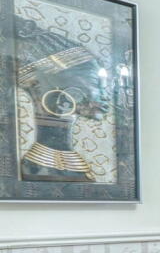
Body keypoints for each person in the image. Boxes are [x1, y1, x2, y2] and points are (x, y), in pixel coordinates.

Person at [15, 16, 111, 183]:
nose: (106, 95)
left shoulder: (68, 164)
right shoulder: (37, 167)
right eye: (96, 84)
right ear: (60, 98)